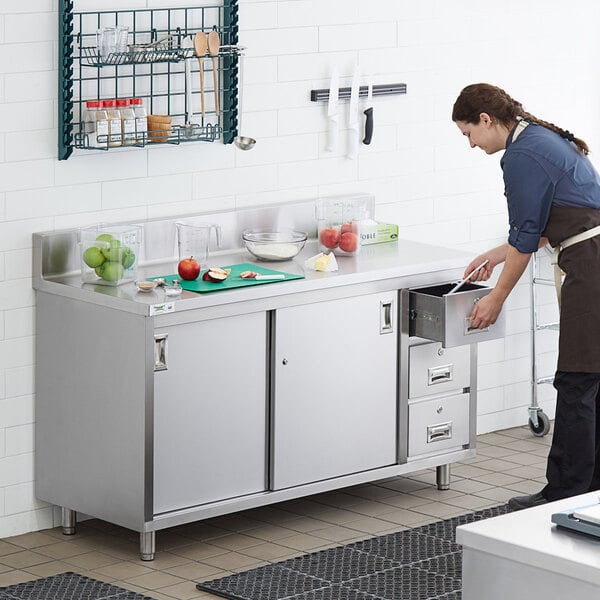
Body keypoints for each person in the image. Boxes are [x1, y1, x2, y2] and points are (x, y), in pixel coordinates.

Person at [452, 83, 600, 511]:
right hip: (590, 249)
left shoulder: (520, 156)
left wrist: (496, 298)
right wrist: (498, 255)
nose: (471, 144)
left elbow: (526, 235)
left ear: (485, 119)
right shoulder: (538, 136)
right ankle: (589, 488)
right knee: (593, 379)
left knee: (577, 379)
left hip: (591, 262)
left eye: (468, 134)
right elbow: (544, 224)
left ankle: (564, 492)